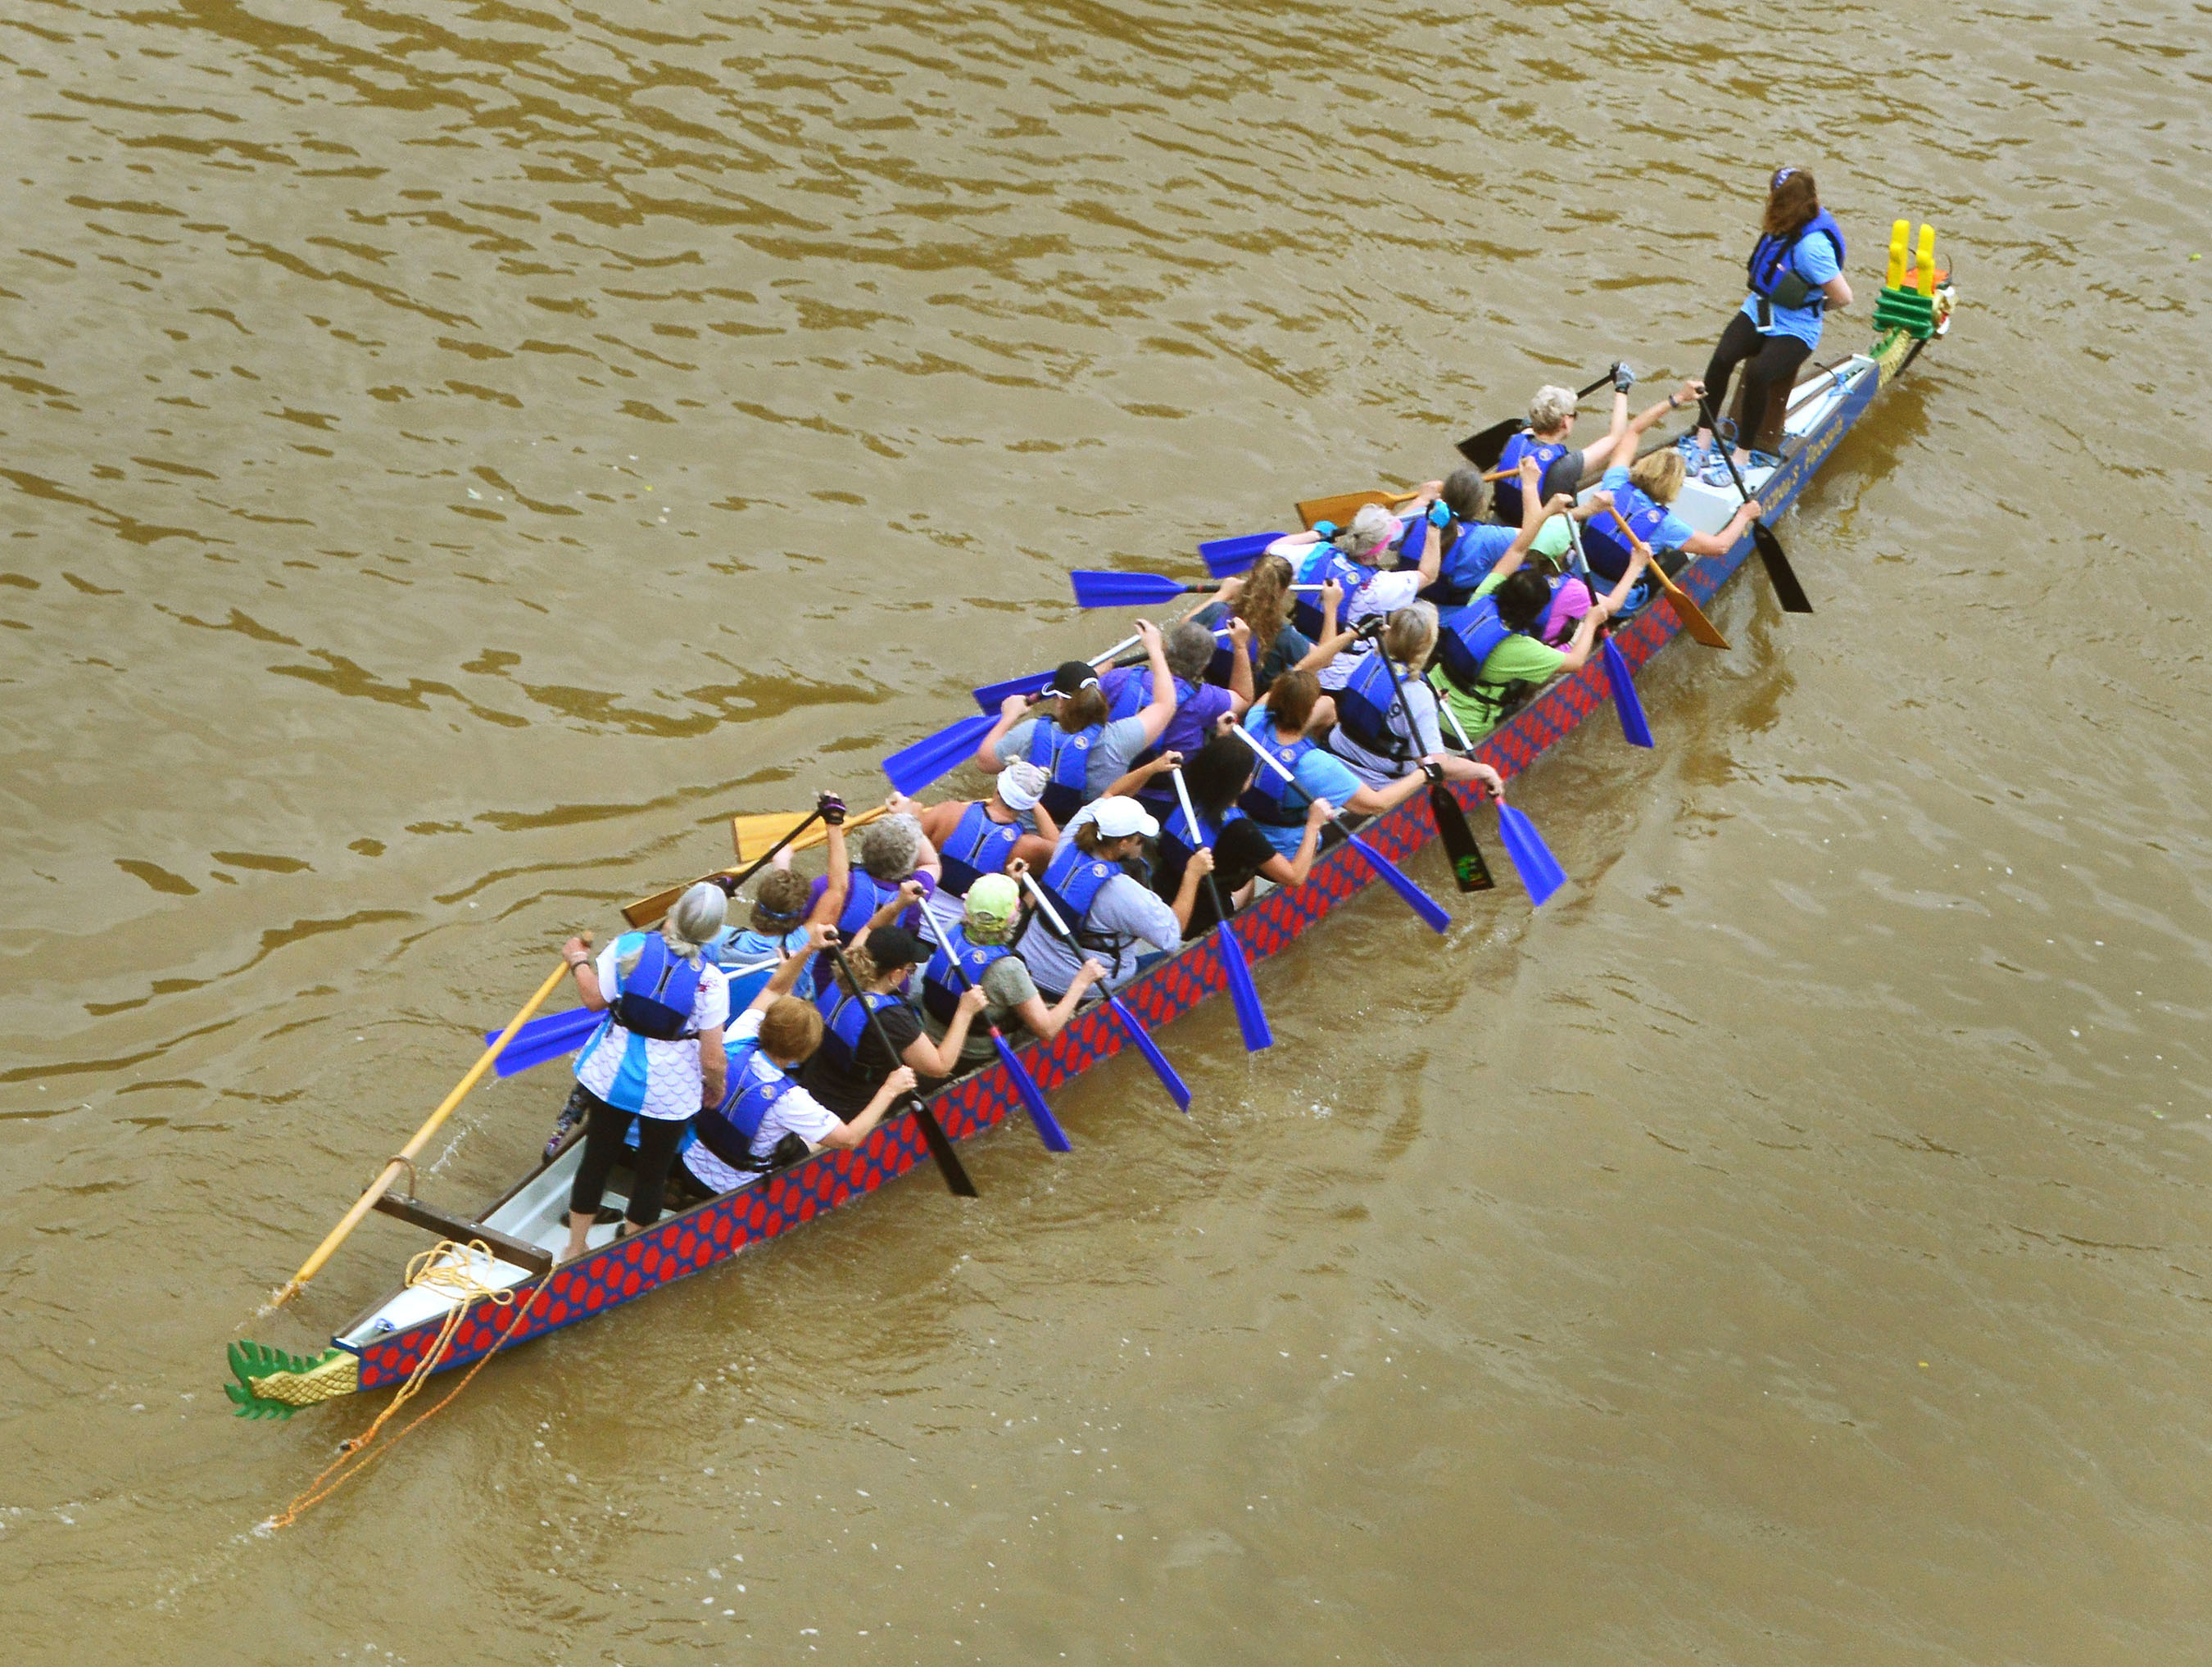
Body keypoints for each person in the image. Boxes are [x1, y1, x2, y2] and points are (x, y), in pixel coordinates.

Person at [557, 881, 732, 1262]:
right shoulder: (712, 981)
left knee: (597, 1159)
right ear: (714, 933)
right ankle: (629, 1256)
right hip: (669, 1089)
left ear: (674, 913)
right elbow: (713, 1058)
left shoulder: (629, 945)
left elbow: (593, 998)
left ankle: (574, 1247)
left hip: (612, 1072)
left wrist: (577, 960)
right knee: (653, 1173)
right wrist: (715, 1087)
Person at [679, 922, 918, 1197]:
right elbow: (850, 1139)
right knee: (822, 1139)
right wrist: (890, 1089)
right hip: (730, 1192)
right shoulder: (790, 1100)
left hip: (691, 1161)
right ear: (802, 1054)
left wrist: (809, 948)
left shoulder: (737, 1038)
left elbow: (773, 990)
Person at [1429, 506, 1655, 744]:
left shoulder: (1481, 598)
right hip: (1461, 728)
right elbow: (1576, 663)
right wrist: (1590, 622)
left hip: (1428, 699)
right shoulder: (1519, 647)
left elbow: (1517, 549)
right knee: (1573, 634)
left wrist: (1549, 508)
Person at [1689, 166, 1851, 476]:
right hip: (1761, 308)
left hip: (1798, 326)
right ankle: (1703, 439)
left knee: (1760, 373)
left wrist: (1811, 305)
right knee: (1723, 356)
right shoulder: (1784, 224)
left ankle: (1741, 457)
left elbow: (1844, 297)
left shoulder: (1813, 248)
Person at [802, 882, 987, 1117]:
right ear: (896, 974)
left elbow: (870, 927)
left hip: (815, 1086)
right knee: (943, 1078)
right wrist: (965, 1012)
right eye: (909, 969)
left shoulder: (845, 971)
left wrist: (899, 903)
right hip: (849, 1110)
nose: (910, 972)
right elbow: (940, 1066)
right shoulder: (890, 1017)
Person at [973, 621, 1175, 823]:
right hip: (1081, 837)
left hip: (1026, 834)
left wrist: (1009, 716)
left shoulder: (1030, 732)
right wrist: (1155, 649)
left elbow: (985, 762)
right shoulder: (1120, 740)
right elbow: (1165, 704)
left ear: (1059, 700)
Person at [1015, 795, 1212, 998]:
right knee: (1191, 958)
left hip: (1028, 965)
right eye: (1140, 840)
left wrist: (1156, 766)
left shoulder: (1071, 835)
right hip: (1075, 986)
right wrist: (1193, 874)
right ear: (1123, 844)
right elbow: (1172, 935)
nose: (1142, 846)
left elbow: (1108, 794)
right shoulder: (1120, 891)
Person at [1140, 734, 1334, 934]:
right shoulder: (1241, 831)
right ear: (1240, 783)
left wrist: (1224, 738)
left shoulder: (1184, 789)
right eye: (1249, 774)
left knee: (1246, 874)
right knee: (1250, 880)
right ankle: (1238, 926)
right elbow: (1294, 877)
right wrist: (1313, 825)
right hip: (1198, 916)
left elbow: (1218, 765)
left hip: (1159, 891)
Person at [1576, 385, 1765, 591]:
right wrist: (1744, 516)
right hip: (1616, 599)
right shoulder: (1665, 524)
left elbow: (1634, 430)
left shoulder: (1615, 482)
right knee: (1678, 558)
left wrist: (1678, 398)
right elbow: (1720, 546)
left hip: (1577, 575)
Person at [914, 873, 1107, 1069]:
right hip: (973, 1054)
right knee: (1061, 1016)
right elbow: (1047, 1029)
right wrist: (1082, 981)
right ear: (1012, 918)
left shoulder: (951, 928)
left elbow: (992, 938)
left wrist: (1012, 882)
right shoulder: (1008, 969)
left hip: (931, 1032)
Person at [1238, 671, 1433, 858]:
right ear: (1308, 710)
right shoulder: (1318, 765)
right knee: (1361, 814)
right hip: (1288, 852)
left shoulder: (1255, 720)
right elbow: (1377, 804)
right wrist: (1423, 773)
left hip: (1244, 826)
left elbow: (1271, 695)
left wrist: (1293, 684)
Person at [1323, 605, 1505, 800]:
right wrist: (1485, 771)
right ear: (1427, 645)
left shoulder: (1370, 656)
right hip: (1375, 782)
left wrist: (1427, 698)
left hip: (1335, 753)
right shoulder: (1417, 696)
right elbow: (1435, 763)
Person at [1099, 617, 1253, 807]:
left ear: (1166, 650)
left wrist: (1097, 674)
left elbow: (1079, 698)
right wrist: (1240, 647)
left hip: (1110, 782)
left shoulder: (1119, 678)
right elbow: (1244, 697)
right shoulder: (1205, 699)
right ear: (1204, 667)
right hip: (1163, 795)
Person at [1266, 489, 1443, 652]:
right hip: (1337, 666)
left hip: (1296, 646)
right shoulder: (1378, 586)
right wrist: (1434, 529)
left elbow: (1272, 551)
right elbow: (1428, 575)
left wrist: (1316, 534)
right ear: (1379, 555)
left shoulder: (1316, 554)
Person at [1486, 364, 1639, 527]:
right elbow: (1616, 438)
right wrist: (1622, 388)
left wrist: (1539, 416)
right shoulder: (1565, 467)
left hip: (1496, 523)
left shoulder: (1514, 440)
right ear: (1565, 422)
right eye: (1574, 415)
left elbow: (1530, 428)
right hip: (1530, 538)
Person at [1190, 561, 1351, 695]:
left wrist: (1223, 594)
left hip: (1211, 687)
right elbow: (1325, 659)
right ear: (1284, 592)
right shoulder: (1283, 634)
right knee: (1322, 698)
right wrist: (1331, 608)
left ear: (1250, 579)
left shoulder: (1217, 611)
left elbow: (1185, 627)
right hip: (1251, 704)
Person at [917, 759, 1057, 897]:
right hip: (974, 916)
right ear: (1028, 805)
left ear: (998, 786)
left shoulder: (948, 812)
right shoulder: (1029, 846)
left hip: (920, 901)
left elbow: (905, 847)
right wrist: (1035, 805)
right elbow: (1062, 854)